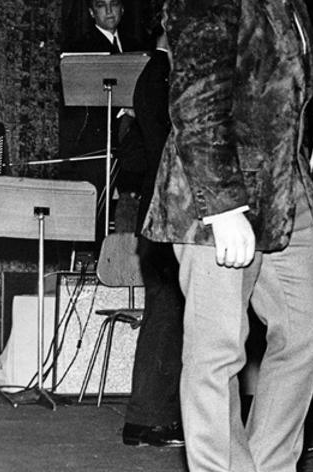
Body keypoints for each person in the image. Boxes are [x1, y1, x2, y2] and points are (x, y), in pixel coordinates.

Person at [142, 0, 313, 472]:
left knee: (308, 325)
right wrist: (223, 209)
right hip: (215, 191)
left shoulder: (291, 6)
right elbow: (196, 102)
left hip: (284, 189)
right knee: (219, 342)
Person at [120, 27, 184, 448]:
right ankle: (149, 418)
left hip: (157, 209)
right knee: (168, 312)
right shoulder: (163, 75)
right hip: (168, 211)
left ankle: (151, 416)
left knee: (167, 311)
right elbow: (168, 145)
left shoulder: (152, 75)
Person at [60, 0, 146, 224]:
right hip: (96, 144)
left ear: (123, 9)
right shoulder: (78, 48)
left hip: (133, 146)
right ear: (91, 12)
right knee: (94, 217)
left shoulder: (137, 46)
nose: (109, 11)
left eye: (114, 4)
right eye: (101, 5)